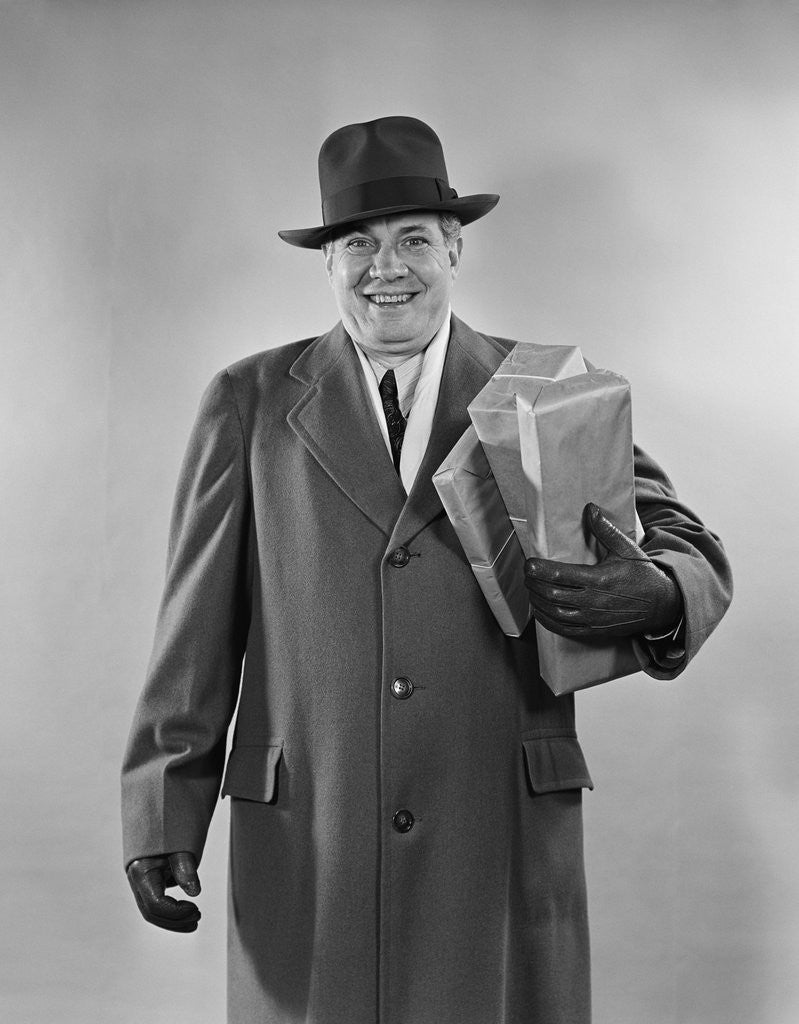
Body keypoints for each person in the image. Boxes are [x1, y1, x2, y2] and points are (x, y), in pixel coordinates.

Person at [122, 116, 732, 1024]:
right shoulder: (248, 403)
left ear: (454, 249)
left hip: (493, 822)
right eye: (357, 244)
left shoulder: (542, 390)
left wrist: (660, 593)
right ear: (327, 262)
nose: (386, 267)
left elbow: (686, 541)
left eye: (412, 239)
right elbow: (196, 630)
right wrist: (162, 811)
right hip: (312, 827)